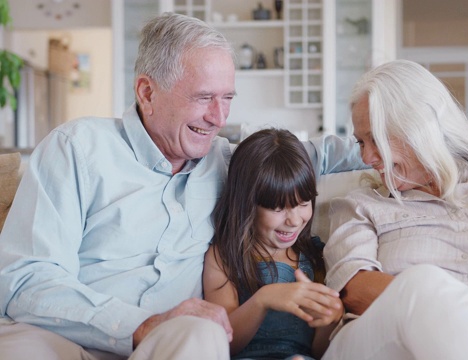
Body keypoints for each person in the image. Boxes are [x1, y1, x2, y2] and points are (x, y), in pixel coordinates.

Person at [0, 13, 362, 360]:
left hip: (174, 342)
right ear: (147, 92)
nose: (219, 118)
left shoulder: (225, 160)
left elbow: (309, 156)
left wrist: (402, 149)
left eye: (228, 99)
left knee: (203, 333)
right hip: (63, 338)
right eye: (204, 98)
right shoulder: (77, 148)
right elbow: (25, 279)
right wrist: (139, 325)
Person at [322, 59, 468, 359]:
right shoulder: (361, 205)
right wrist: (454, 307)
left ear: (417, 126)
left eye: (375, 139)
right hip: (377, 341)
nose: (367, 157)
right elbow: (354, 289)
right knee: (423, 282)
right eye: (361, 142)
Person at [203, 128, 343, 360]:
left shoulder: (318, 256)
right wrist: (263, 299)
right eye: (278, 208)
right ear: (247, 204)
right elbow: (224, 343)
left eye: (303, 203)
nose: (294, 220)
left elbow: (319, 352)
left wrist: (331, 319)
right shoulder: (224, 258)